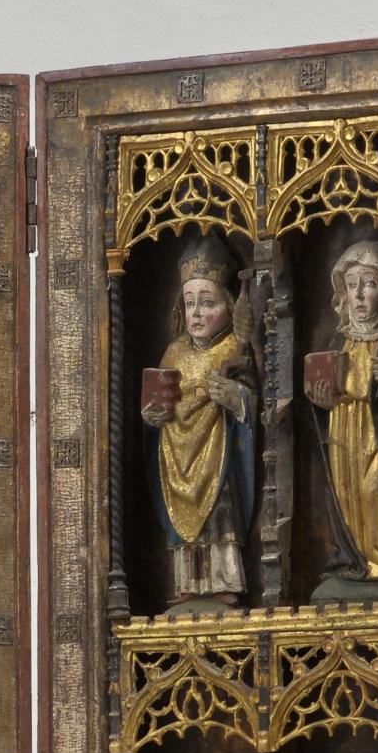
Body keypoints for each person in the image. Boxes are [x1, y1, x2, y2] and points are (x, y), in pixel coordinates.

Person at [142, 239, 257, 612]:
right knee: (182, 517)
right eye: (190, 303)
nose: (196, 313)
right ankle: (189, 583)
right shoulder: (175, 352)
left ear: (228, 305)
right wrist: (151, 417)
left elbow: (256, 402)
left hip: (217, 452)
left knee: (220, 510)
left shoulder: (235, 348)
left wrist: (236, 397)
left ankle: (224, 581)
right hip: (177, 452)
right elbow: (158, 395)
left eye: (208, 303)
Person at [307, 240, 378, 599]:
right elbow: (329, 391)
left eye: (369, 284)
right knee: (347, 494)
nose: (359, 294)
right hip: (343, 431)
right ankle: (356, 562)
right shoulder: (339, 339)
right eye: (352, 285)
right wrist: (323, 402)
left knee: (375, 489)